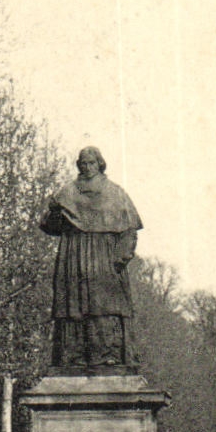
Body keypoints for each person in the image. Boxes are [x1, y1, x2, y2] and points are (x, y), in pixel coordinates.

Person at [41, 146, 142, 369]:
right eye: (83, 163)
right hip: (73, 255)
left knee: (104, 305)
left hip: (103, 257)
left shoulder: (115, 193)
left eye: (91, 163)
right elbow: (50, 225)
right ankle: (72, 356)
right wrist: (55, 212)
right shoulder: (67, 193)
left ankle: (107, 354)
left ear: (100, 164)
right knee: (73, 306)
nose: (87, 167)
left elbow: (129, 228)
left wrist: (122, 255)